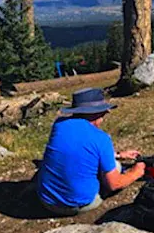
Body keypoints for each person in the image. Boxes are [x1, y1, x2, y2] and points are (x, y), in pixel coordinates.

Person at [37, 87, 145, 216]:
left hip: (46, 200)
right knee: (115, 167)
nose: (104, 116)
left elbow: (75, 149)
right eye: (103, 113)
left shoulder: (59, 124)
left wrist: (117, 155)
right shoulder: (101, 138)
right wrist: (136, 172)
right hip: (75, 205)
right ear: (96, 113)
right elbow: (114, 184)